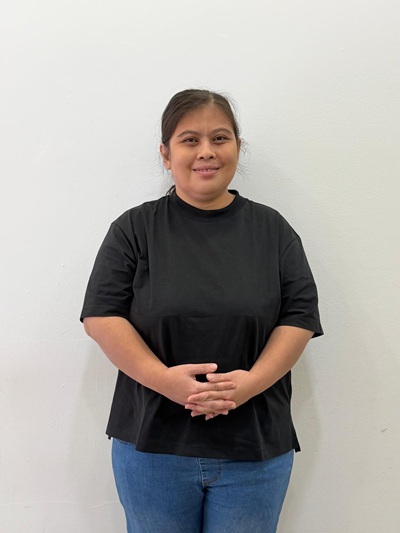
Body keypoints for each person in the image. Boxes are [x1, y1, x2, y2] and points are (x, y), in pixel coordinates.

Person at [80, 89, 323, 533]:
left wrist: (250, 385)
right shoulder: (134, 229)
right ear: (166, 153)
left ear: (237, 147)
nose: (206, 151)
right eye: (190, 140)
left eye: (220, 138)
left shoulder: (272, 230)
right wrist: (166, 382)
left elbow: (300, 317)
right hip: (152, 449)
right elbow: (101, 317)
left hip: (254, 448)